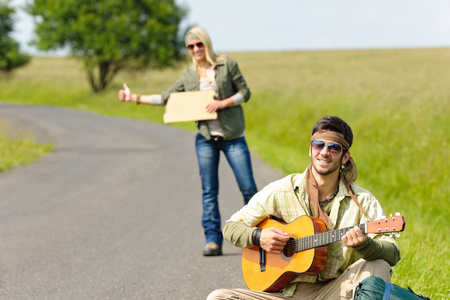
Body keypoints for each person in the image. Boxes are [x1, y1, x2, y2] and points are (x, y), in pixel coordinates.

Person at [207, 116, 401, 299]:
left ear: (345, 157)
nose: (324, 152)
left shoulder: (362, 200)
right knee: (218, 297)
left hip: (335, 291)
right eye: (319, 145)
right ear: (310, 149)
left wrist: (365, 245)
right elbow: (231, 227)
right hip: (283, 294)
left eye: (334, 148)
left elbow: (392, 252)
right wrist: (259, 237)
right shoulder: (281, 190)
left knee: (377, 265)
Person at [118, 27, 257, 256]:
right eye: (191, 46)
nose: (195, 50)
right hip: (205, 139)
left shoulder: (226, 65)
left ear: (206, 44)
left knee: (248, 188)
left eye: (199, 44)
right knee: (209, 191)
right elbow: (166, 98)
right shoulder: (189, 75)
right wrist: (134, 98)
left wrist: (222, 103)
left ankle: (257, 235)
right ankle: (213, 240)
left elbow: (245, 93)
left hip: (233, 138)